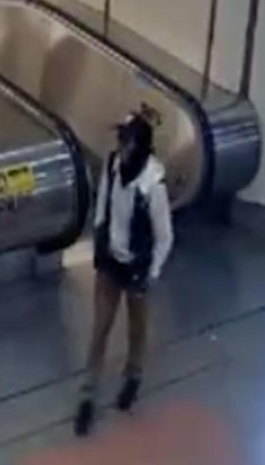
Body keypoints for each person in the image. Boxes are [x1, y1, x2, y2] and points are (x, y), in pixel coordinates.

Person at [74, 106, 174, 436]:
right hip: (111, 261)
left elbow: (164, 236)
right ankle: (88, 394)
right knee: (100, 327)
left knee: (136, 325)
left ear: (141, 147)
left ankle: (133, 376)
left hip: (138, 267)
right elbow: (103, 203)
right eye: (121, 140)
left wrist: (152, 272)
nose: (121, 147)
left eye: (127, 142)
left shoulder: (153, 185)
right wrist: (100, 239)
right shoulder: (113, 165)